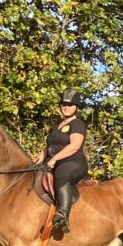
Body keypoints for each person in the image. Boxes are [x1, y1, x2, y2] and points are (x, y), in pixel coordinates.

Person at [35, 89, 88, 233]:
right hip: (54, 161)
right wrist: (41, 155)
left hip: (73, 162)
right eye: (64, 104)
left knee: (61, 174)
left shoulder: (77, 124)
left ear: (76, 107)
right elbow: (51, 145)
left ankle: (63, 215)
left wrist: (54, 159)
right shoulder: (56, 127)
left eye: (70, 105)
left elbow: (74, 146)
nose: (66, 107)